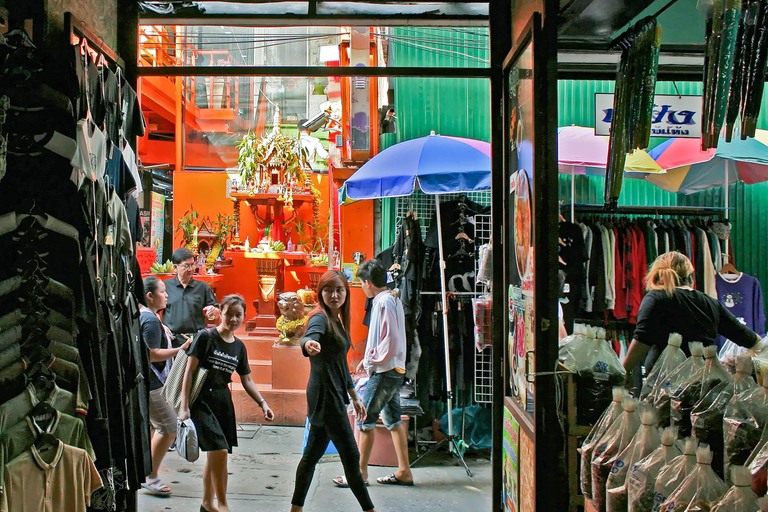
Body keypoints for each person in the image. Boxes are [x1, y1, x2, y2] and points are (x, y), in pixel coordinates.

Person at [179, 294, 275, 512]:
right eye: (229, 314)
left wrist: (263, 403)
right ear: (220, 312)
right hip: (201, 401)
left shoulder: (239, 347)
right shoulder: (205, 337)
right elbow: (189, 371)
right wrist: (184, 406)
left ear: (244, 316)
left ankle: (206, 503)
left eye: (238, 315)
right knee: (219, 450)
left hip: (223, 402)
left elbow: (246, 378)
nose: (233, 319)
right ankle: (222, 505)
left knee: (216, 453)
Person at [291, 271, 375, 512]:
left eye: (339, 290)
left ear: (346, 292)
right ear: (321, 293)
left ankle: (295, 509)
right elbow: (307, 338)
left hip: (333, 394)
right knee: (351, 456)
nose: (334, 295)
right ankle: (370, 510)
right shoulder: (320, 318)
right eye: (328, 290)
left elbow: (339, 364)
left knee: (310, 457)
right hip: (325, 397)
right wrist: (308, 344)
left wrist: (354, 395)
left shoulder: (337, 319)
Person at [622, 251, 763, 383]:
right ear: (691, 277)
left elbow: (641, 340)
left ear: (657, 276)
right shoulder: (711, 303)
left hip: (664, 385)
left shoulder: (656, 298)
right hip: (703, 383)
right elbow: (751, 339)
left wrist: (625, 372)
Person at [349, 259, 414, 487]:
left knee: (365, 419)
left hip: (385, 370)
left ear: (368, 283)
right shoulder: (390, 299)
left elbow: (390, 340)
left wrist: (372, 360)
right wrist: (370, 358)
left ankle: (360, 474)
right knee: (393, 420)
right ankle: (404, 470)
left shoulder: (383, 302)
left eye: (361, 283)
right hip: (393, 368)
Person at [140, 275, 191, 496]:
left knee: (158, 427)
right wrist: (181, 350)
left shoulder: (149, 316)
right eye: (162, 291)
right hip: (153, 384)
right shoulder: (150, 320)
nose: (167, 294)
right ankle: (150, 476)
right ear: (150, 296)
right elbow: (151, 354)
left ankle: (147, 472)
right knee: (168, 427)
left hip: (153, 383)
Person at [163, 247, 220, 347]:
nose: (191, 269)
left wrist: (214, 311)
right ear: (175, 267)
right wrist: (161, 326)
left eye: (192, 264)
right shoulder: (166, 286)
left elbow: (215, 309)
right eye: (186, 266)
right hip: (172, 339)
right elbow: (153, 310)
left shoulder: (202, 287)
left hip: (196, 339)